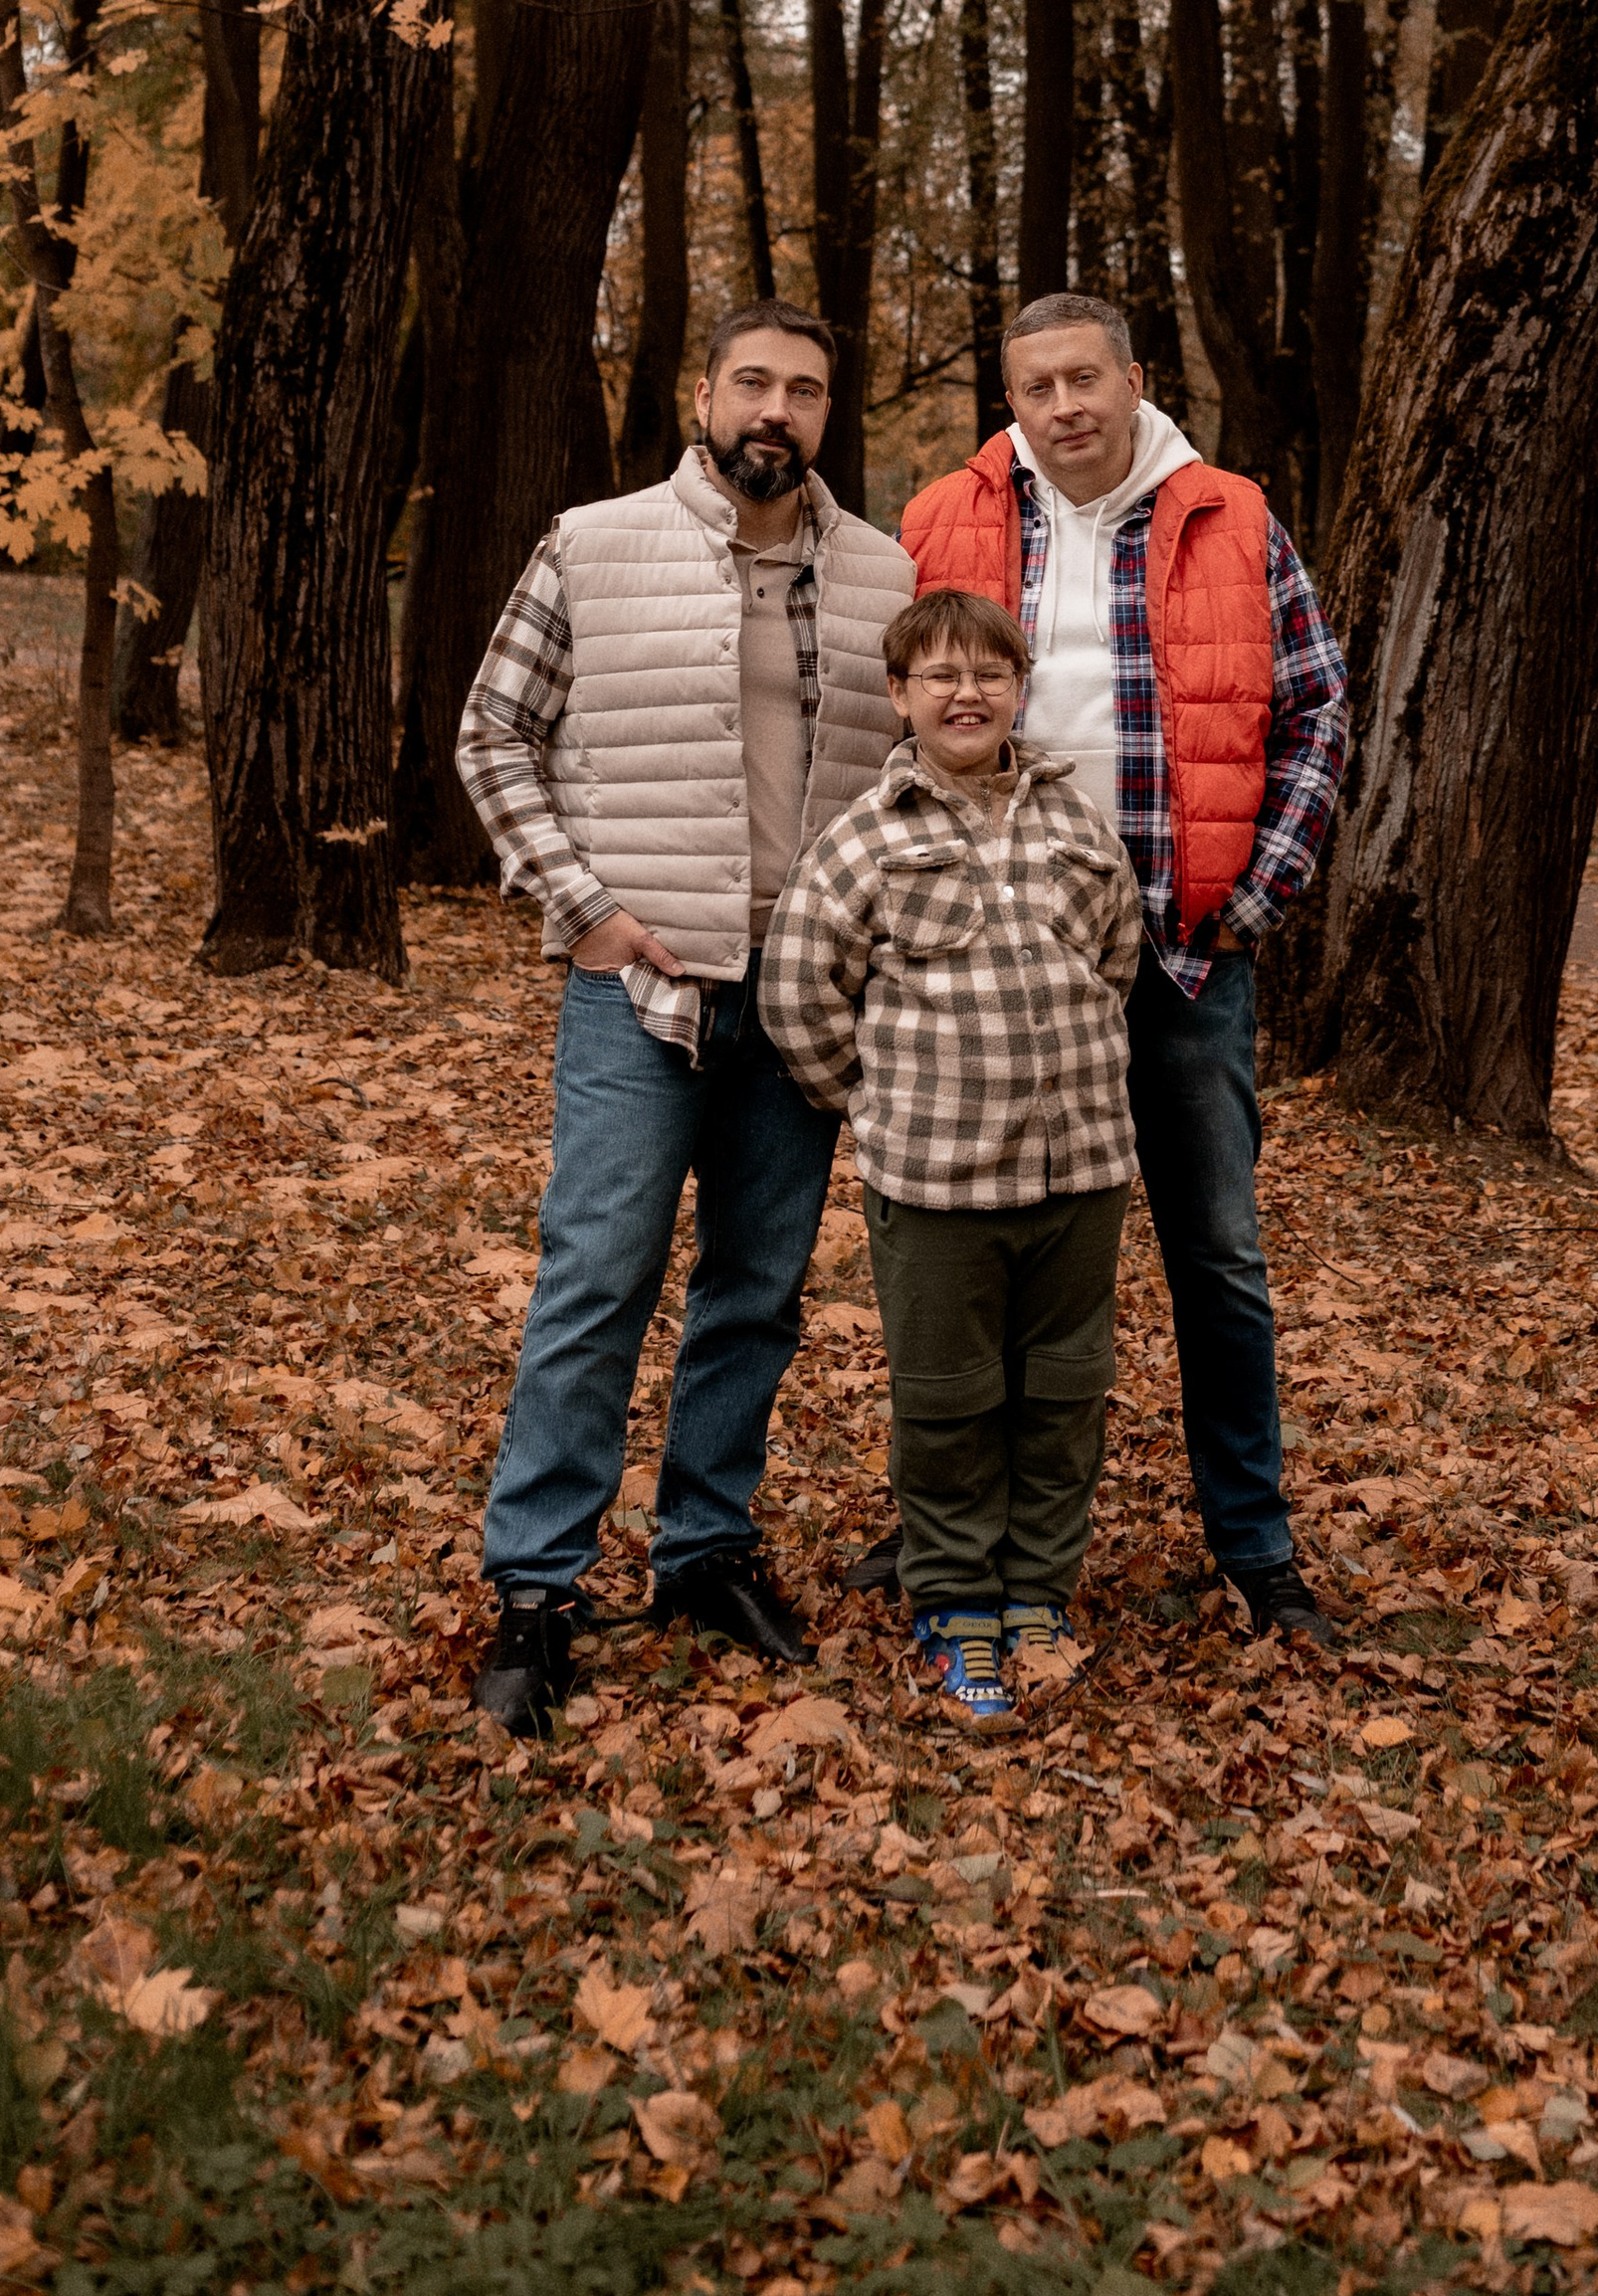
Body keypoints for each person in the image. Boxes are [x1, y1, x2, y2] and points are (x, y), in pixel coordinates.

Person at [455, 297, 912, 1737]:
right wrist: (580, 902)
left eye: (808, 390)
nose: (778, 408)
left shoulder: (879, 570)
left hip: (798, 996)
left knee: (757, 1290)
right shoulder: (594, 543)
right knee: (596, 1279)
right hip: (638, 989)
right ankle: (537, 1587)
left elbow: (910, 770)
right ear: (700, 394)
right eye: (754, 381)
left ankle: (705, 1550)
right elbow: (494, 730)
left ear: (830, 414)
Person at [894, 291, 1350, 1646]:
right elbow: (892, 710)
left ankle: (1255, 1545)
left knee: (1214, 1254)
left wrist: (1255, 896)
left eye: (1086, 375)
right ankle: (954, 1535)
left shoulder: (1232, 512)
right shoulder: (945, 517)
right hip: (995, 963)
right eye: (1037, 384)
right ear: (1014, 397)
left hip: (1182, 959)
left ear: (1134, 377)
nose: (1064, 403)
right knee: (974, 1260)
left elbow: (1320, 704)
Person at [760, 588, 1144, 1733]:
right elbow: (799, 998)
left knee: (1063, 1389)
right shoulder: (867, 838)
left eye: (988, 672)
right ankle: (955, 1599)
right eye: (938, 675)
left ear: (1019, 687)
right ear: (901, 697)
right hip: (934, 1184)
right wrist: (884, 1103)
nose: (965, 692)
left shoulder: (1076, 824)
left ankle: (1037, 1586)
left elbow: (1116, 954)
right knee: (950, 1399)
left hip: (1079, 1168)